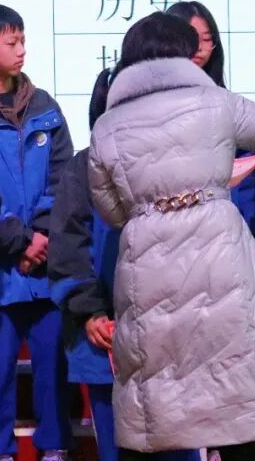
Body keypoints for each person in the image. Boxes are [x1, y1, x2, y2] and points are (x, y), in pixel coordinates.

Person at [88, 12, 255, 459]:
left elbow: (112, 211)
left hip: (147, 263)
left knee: (165, 386)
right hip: (219, 251)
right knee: (239, 384)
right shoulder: (214, 103)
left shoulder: (107, 126)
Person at [49, 70, 200, 461]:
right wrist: (90, 313)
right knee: (117, 446)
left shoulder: (176, 164)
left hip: (171, 334)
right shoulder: (81, 168)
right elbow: (68, 249)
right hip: (105, 335)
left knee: (178, 447)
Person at [0, 3, 74, 461]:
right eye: (11, 42)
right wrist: (19, 241)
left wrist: (41, 235)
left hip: (46, 264)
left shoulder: (44, 106)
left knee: (53, 364)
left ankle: (55, 446)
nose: (21, 49)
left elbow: (64, 176)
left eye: (23, 40)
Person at [167, 1, 255, 248]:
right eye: (191, 38)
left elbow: (248, 178)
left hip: (230, 237)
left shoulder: (227, 104)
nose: (200, 48)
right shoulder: (151, 105)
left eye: (208, 39)